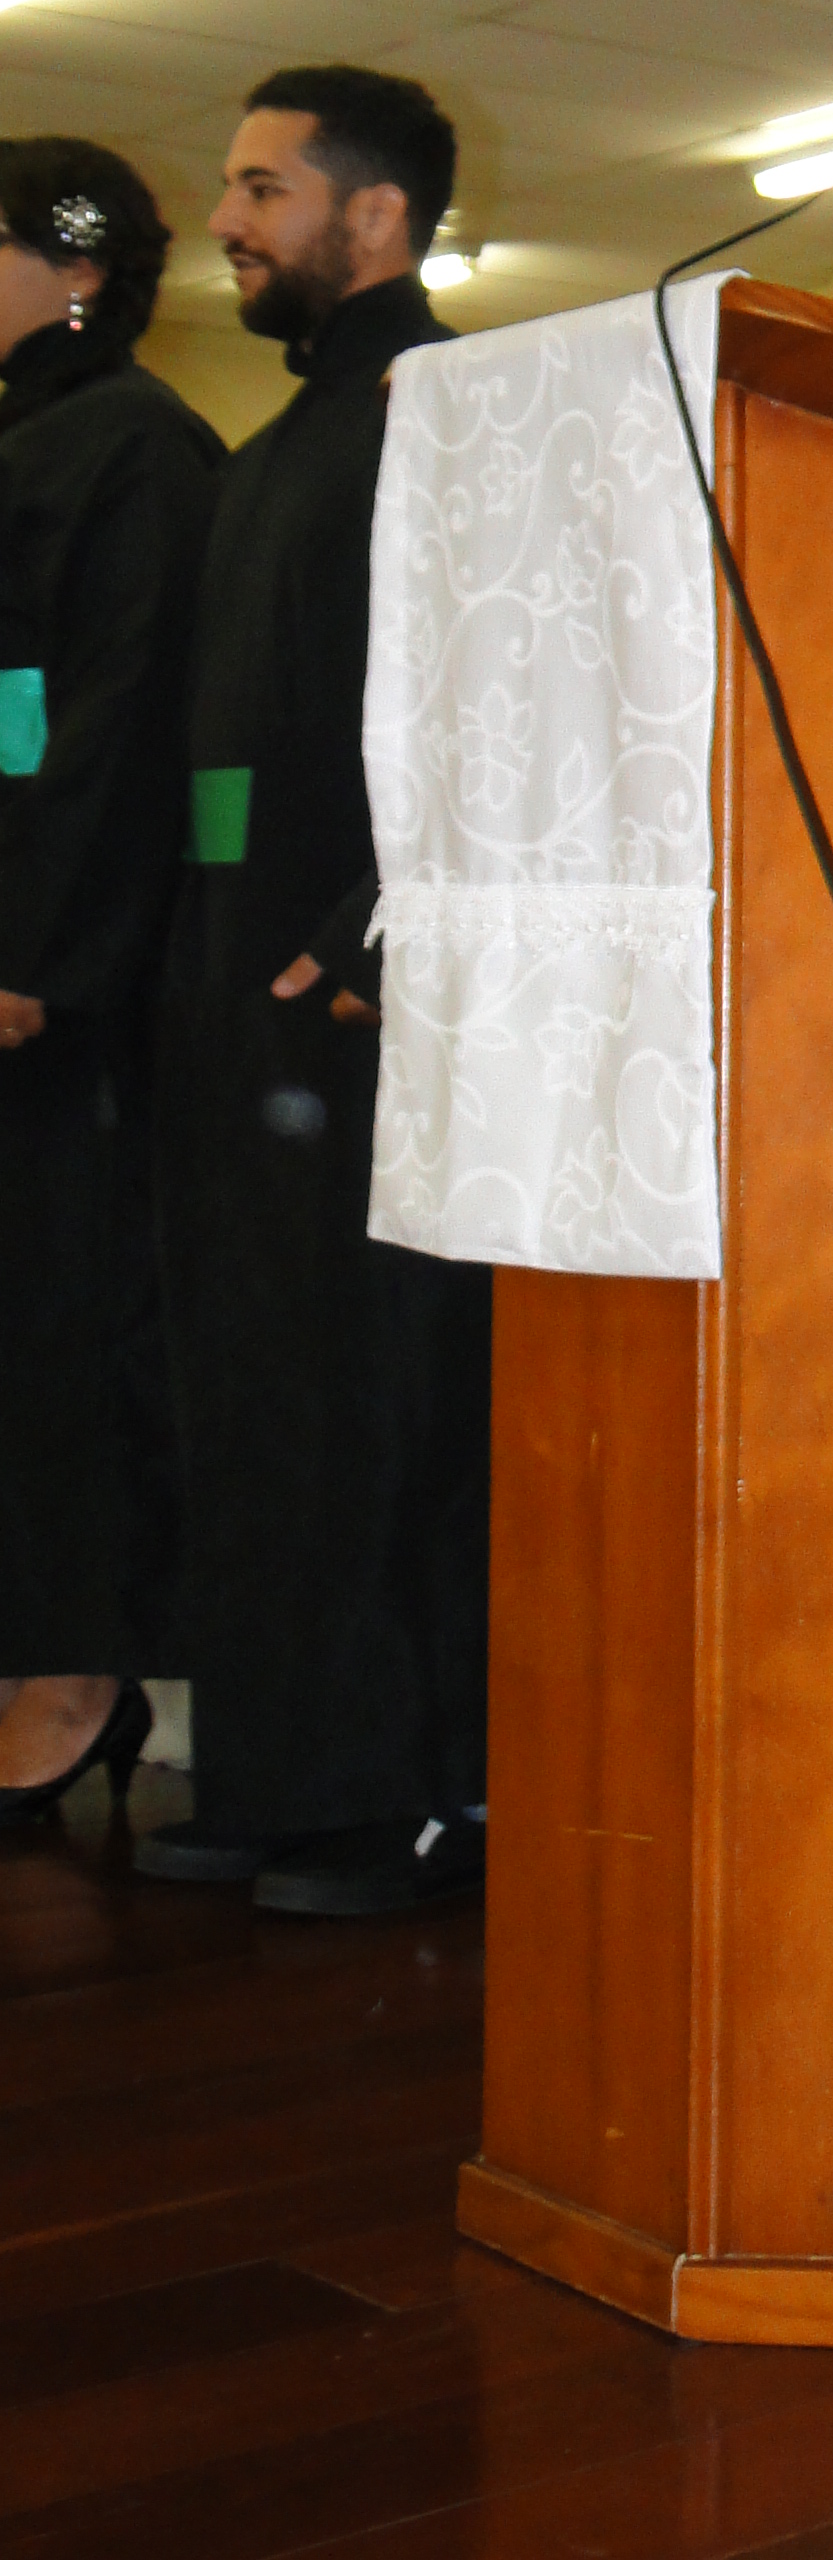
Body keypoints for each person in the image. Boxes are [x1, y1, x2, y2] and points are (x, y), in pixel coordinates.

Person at [140, 67, 490, 1918]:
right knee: (259, 1400)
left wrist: (373, 925)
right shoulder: (274, 449)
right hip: (233, 1007)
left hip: (376, 1013)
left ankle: (408, 1794)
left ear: (376, 218)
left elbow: (487, 708)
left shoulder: (457, 418)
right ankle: (276, 1773)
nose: (226, 219)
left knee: (383, 1398)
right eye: (230, 185)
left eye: (262, 188)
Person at [0, 142, 221, 1825]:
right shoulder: (27, 436)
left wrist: (34, 953)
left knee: (64, 1327)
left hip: (66, 994)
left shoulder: (133, 445)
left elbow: (116, 722)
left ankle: (76, 1672)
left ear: (74, 269)